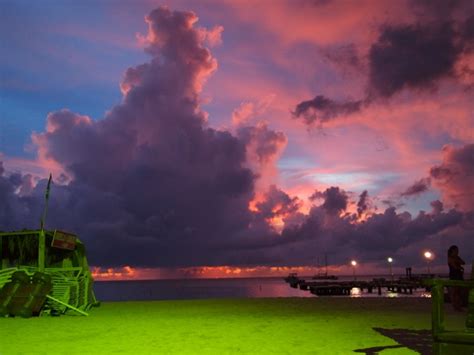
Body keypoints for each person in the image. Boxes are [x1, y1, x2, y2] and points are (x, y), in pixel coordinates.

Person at [447, 245, 465, 311]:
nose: (457, 252)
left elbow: (463, 262)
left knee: (460, 292)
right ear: (453, 251)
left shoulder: (457, 257)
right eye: (456, 250)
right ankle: (456, 307)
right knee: (455, 292)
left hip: (459, 276)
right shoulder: (450, 258)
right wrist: (459, 267)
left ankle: (458, 306)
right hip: (454, 276)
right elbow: (454, 267)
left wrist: (458, 259)